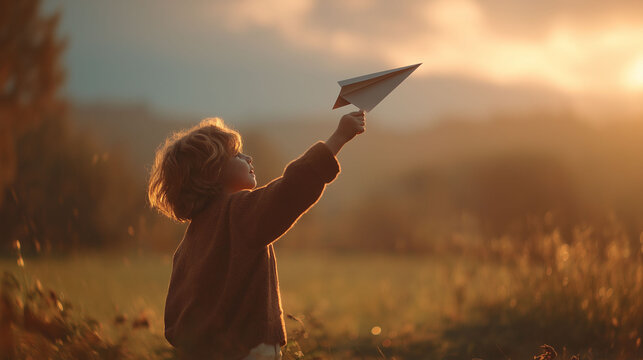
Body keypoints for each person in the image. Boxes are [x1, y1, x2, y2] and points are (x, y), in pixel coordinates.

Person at [147, 110, 366, 359]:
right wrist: (338, 138)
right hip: (251, 349)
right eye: (236, 154)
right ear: (212, 171)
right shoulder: (239, 211)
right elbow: (291, 190)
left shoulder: (188, 244)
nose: (249, 158)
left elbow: (176, 316)